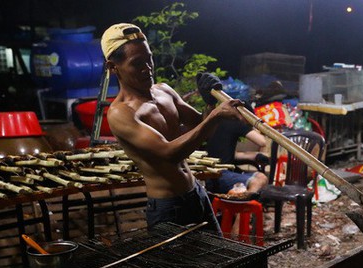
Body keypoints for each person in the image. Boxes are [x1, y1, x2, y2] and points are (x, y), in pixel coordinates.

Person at [101, 23, 245, 233]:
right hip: (168, 207)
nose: (148, 68)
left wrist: (209, 104)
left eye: (149, 58)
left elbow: (200, 126)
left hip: (196, 192)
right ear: (113, 67)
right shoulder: (121, 113)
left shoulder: (164, 91)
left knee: (222, 262)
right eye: (137, 63)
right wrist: (215, 116)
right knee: (180, 267)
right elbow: (169, 154)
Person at [204, 106, 269, 196]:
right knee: (259, 180)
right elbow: (262, 142)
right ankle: (243, 205)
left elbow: (225, 154)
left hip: (211, 173)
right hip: (219, 174)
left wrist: (252, 156)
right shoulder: (236, 123)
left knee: (260, 176)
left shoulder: (219, 122)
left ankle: (242, 201)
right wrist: (253, 126)